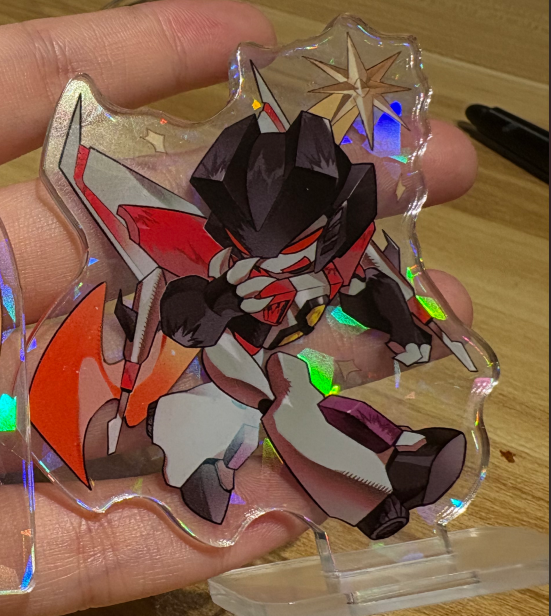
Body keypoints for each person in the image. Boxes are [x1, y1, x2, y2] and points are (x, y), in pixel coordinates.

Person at [0, 1, 477, 614]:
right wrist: (226, 297)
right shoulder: (211, 268)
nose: (286, 262)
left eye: (302, 245)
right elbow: (184, 316)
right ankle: (227, 474)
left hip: (277, 365)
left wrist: (405, 327)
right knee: (232, 417)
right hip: (211, 373)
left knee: (301, 395)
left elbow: (368, 289)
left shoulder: (330, 259)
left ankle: (398, 465)